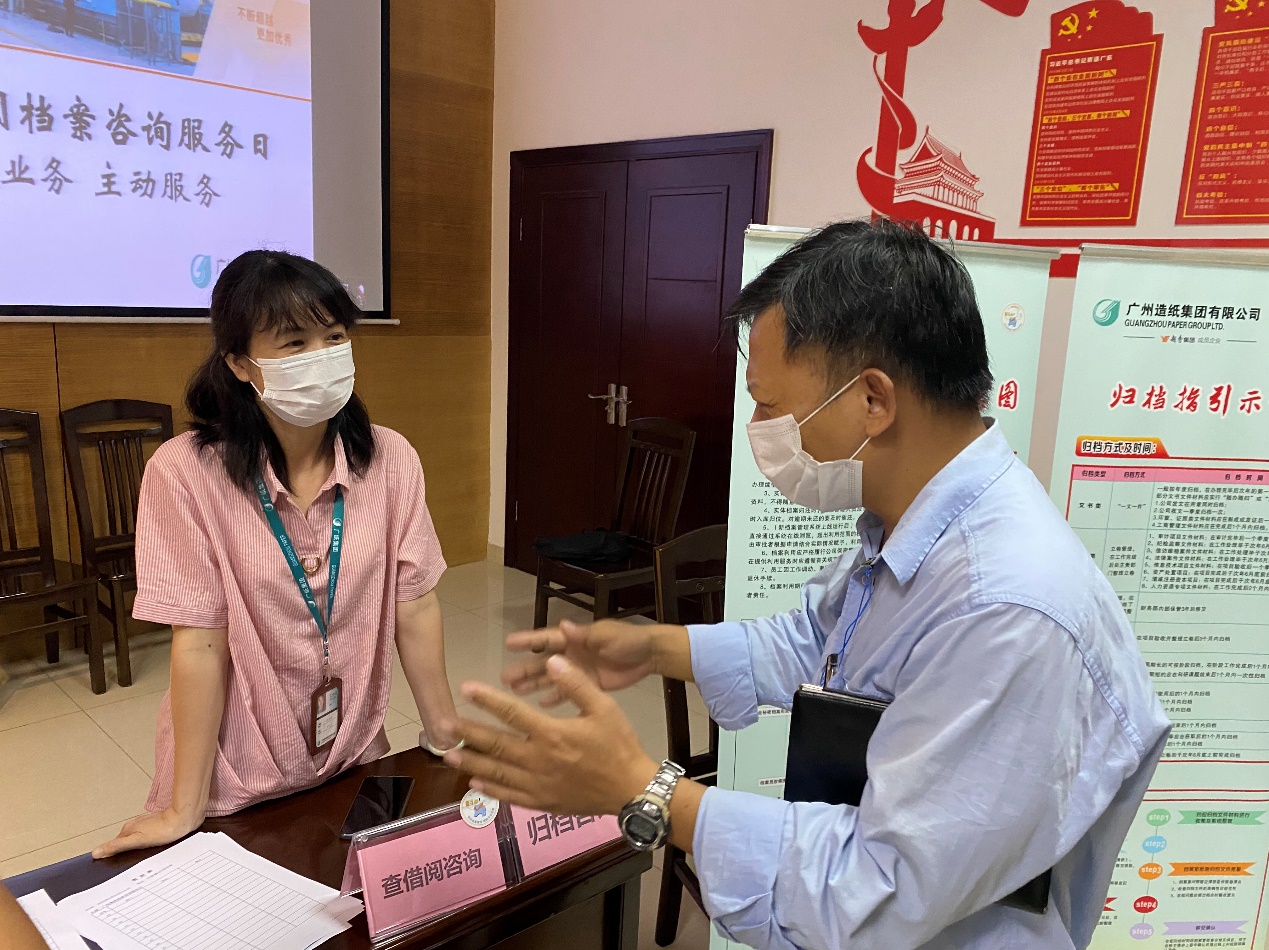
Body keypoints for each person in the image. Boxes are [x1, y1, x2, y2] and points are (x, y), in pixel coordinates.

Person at [443, 220, 1171, 949]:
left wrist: (648, 790)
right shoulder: (921, 522)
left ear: (873, 400)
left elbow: (881, 888)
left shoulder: (1004, 607)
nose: (759, 427)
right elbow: (823, 639)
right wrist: (658, 648)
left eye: (768, 404)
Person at [94, 250, 460, 859]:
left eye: (334, 337)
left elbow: (415, 604)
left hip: (353, 759)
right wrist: (185, 807)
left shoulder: (391, 459)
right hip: (236, 776)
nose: (322, 356)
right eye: (294, 343)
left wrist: (446, 736)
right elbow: (200, 643)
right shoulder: (185, 474)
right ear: (240, 363)